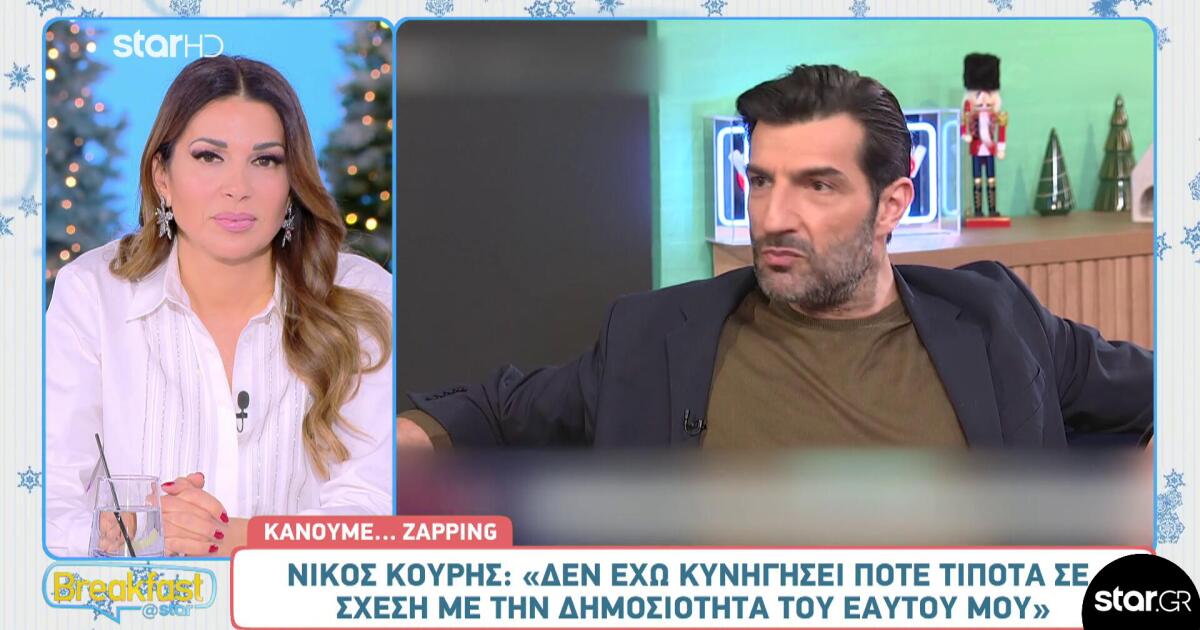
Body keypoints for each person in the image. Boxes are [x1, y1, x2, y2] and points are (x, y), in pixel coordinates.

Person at [396, 64, 1152, 450]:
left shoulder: (996, 317)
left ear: (892, 204)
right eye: (761, 180)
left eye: (818, 185)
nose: (773, 217)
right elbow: (488, 412)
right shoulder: (653, 337)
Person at [46, 56, 393, 557]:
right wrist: (139, 533)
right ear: (162, 176)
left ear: (292, 183)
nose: (238, 188)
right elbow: (44, 500)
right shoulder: (92, 294)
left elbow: (374, 510)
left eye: (265, 160)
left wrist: (238, 539)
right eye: (209, 156)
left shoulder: (361, 296)